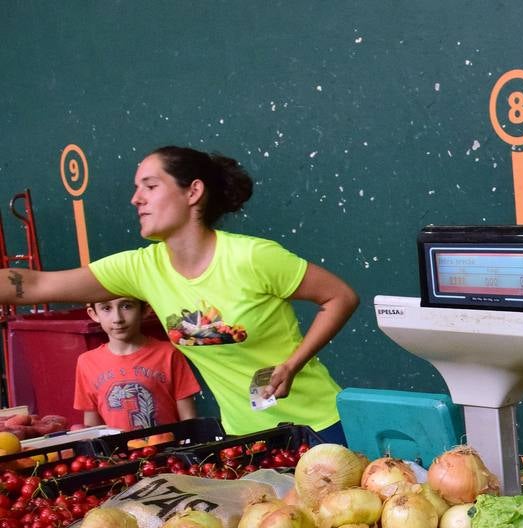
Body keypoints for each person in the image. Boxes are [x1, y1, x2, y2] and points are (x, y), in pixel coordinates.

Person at [1, 146, 359, 441]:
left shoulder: (252, 257)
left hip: (319, 427)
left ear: (193, 192)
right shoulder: (141, 268)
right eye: (136, 188)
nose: (135, 198)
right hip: (245, 438)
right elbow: (34, 285)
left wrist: (293, 364)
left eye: (150, 186)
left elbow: (340, 296)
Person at [74, 297, 201, 429]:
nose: (117, 318)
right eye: (106, 308)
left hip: (171, 448)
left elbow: (189, 420)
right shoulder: (86, 362)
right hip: (119, 450)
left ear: (145, 309)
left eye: (127, 306)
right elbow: (93, 428)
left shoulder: (169, 353)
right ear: (93, 314)